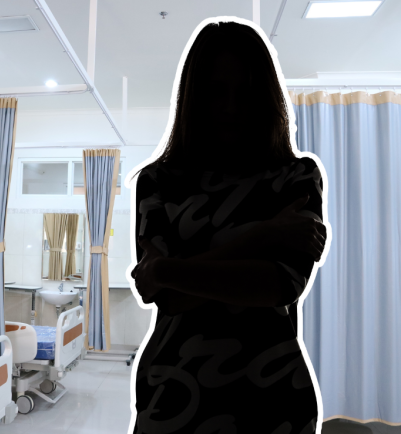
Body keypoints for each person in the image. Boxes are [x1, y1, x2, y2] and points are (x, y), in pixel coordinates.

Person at [130, 21, 327, 434]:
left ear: (266, 97)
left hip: (273, 402)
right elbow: (169, 299)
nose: (232, 107)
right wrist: (264, 236)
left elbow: (278, 285)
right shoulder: (158, 180)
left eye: (246, 92)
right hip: (173, 397)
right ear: (194, 97)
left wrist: (168, 269)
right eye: (216, 91)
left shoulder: (296, 177)